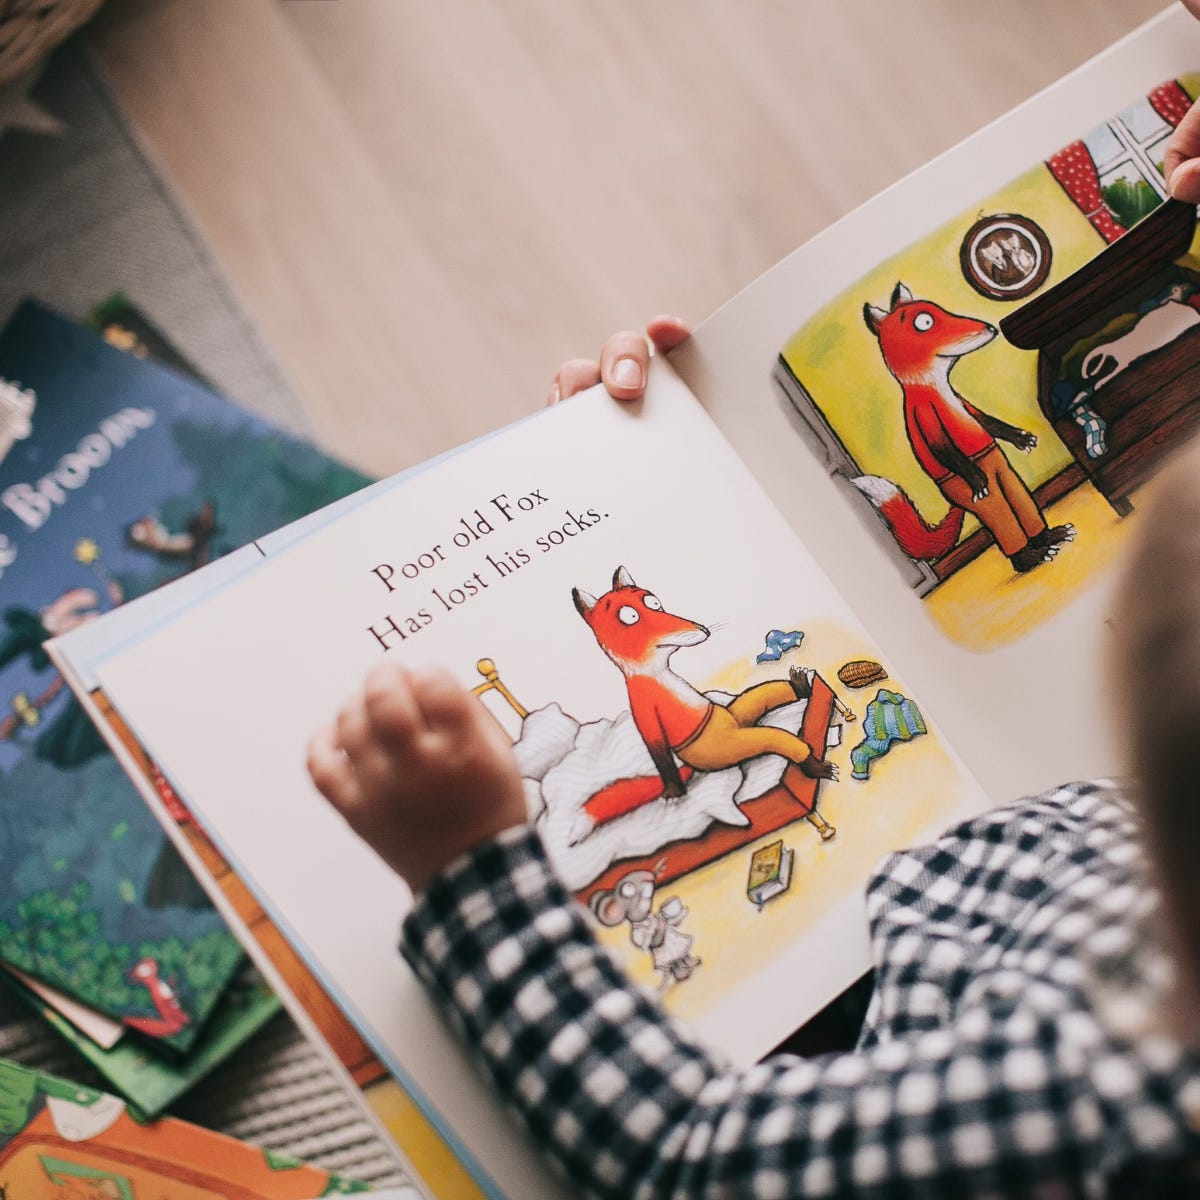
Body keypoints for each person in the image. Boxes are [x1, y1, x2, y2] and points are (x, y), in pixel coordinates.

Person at [305, 49, 1200, 1196]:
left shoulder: (1096, 1087)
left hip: (825, 1046)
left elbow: (691, 1157)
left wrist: (472, 873)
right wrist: (642, 484)